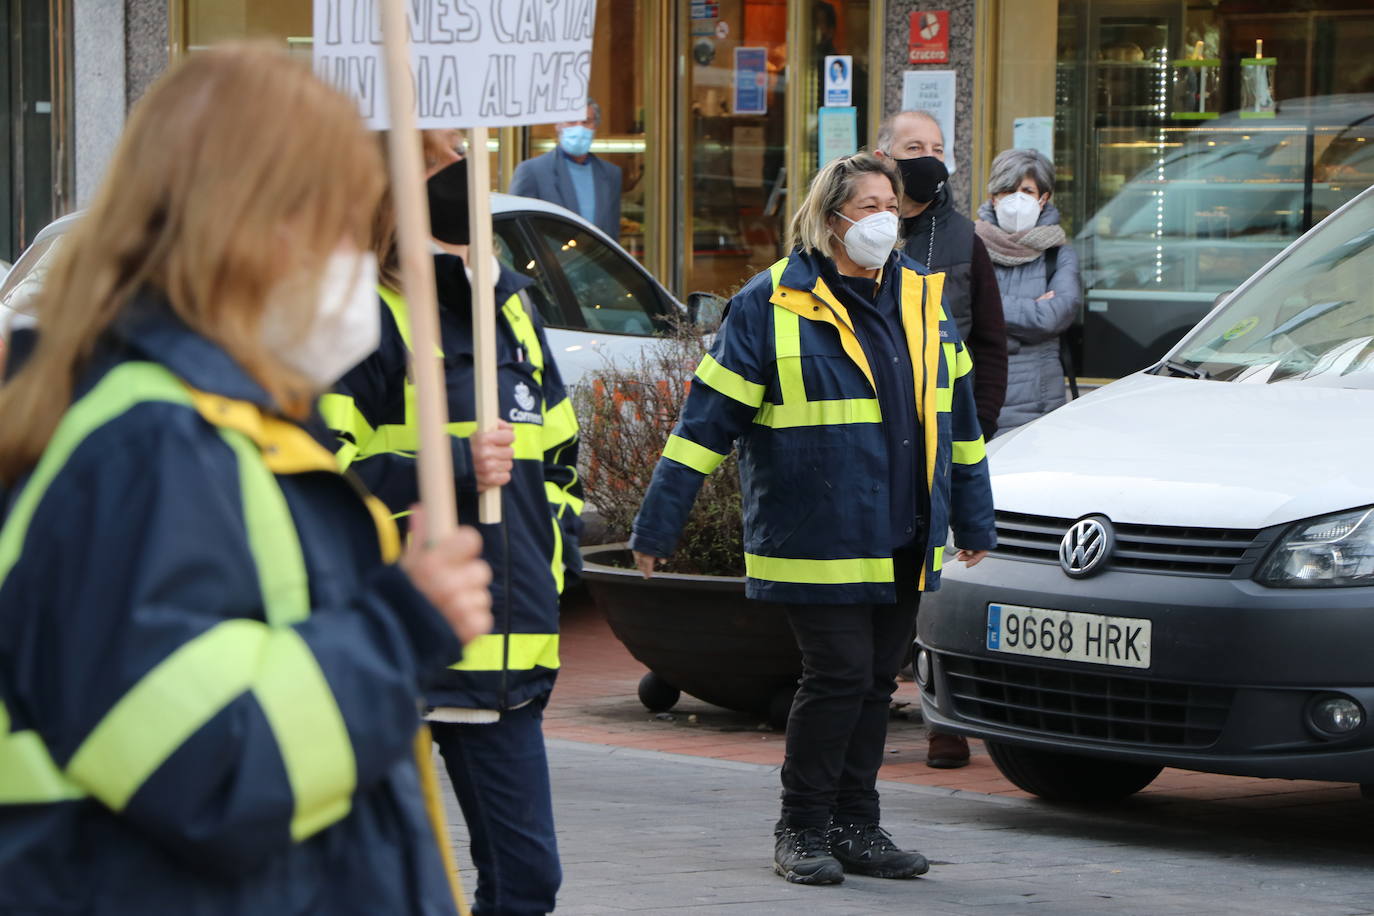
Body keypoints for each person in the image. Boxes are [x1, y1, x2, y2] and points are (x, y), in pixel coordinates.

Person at [0, 45, 493, 914]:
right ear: (266, 228)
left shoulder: (193, 428)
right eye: (346, 225)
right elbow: (199, 764)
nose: (358, 260)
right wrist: (402, 625)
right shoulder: (151, 447)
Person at [629, 152, 996, 887]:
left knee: (872, 684)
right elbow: (708, 420)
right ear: (829, 220)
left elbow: (958, 420)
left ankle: (856, 824)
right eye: (867, 205)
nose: (884, 218)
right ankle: (800, 827)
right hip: (814, 533)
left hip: (903, 529)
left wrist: (975, 520)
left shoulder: (923, 298)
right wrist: (657, 525)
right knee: (835, 675)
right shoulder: (770, 303)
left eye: (891, 203)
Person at [323, 150, 581, 916]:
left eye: (464, 155)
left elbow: (560, 462)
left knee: (528, 882)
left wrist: (548, 565)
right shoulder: (361, 316)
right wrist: (445, 468)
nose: (460, 169)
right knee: (378, 890)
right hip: (392, 648)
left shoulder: (511, 308)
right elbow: (311, 484)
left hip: (505, 656)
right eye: (437, 155)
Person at [875, 108, 1007, 771]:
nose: (927, 157)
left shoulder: (964, 238)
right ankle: (870, 708)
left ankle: (942, 722)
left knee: (937, 584)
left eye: (936, 147)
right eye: (911, 147)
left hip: (938, 442)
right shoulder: (854, 229)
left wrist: (974, 424)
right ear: (882, 157)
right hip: (871, 445)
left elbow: (989, 342)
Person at [974, 148, 1081, 435]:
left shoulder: (1059, 255)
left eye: (1027, 190)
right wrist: (1029, 309)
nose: (1016, 199)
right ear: (993, 196)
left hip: (1039, 404)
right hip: (977, 396)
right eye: (1007, 190)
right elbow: (955, 308)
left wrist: (986, 312)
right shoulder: (969, 246)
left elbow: (1053, 317)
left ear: (1043, 198)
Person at [509, 100, 622, 240]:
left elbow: (612, 231)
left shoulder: (611, 174)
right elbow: (516, 229)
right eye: (571, 121)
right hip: (550, 260)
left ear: (595, 127)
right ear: (558, 125)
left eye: (586, 122)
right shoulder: (532, 171)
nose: (579, 128)